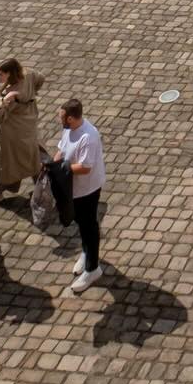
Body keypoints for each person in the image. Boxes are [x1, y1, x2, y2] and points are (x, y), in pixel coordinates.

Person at [56, 99, 106, 291]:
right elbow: (61, 149)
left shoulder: (89, 136)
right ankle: (86, 252)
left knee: (89, 225)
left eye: (61, 116)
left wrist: (62, 169)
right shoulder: (68, 129)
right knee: (81, 223)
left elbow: (85, 167)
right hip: (74, 189)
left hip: (88, 189)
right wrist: (53, 164)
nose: (59, 119)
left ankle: (93, 268)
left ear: (70, 118)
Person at [0, 59, 43, 205]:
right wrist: (33, 93)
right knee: (32, 162)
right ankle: (42, 190)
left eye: (1, 74)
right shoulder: (29, 75)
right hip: (28, 130)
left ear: (10, 74)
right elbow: (40, 78)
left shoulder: (9, 96)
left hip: (13, 136)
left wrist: (2, 103)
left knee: (8, 166)